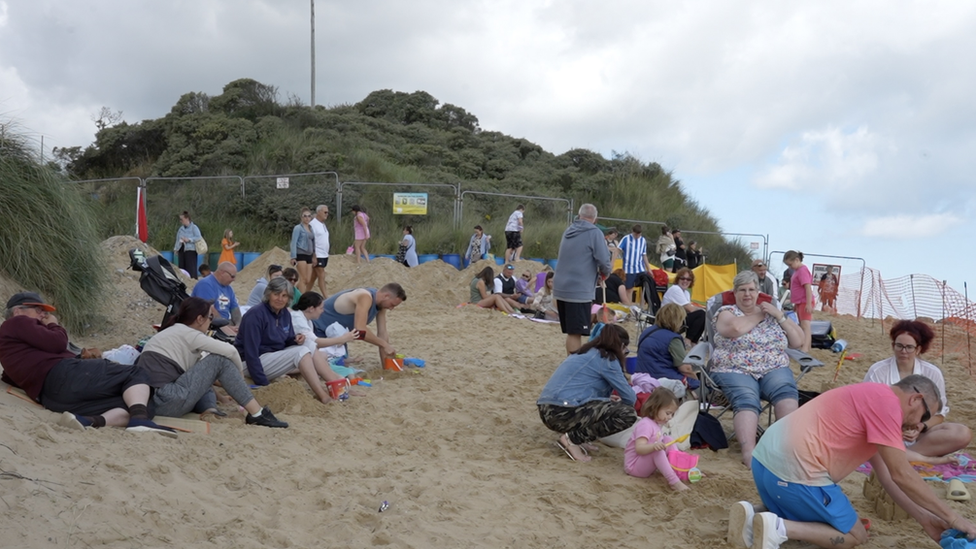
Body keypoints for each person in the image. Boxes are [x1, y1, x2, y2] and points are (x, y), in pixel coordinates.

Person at [730, 375, 976, 549]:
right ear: (915, 398)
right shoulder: (889, 406)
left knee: (825, 515)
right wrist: (954, 518)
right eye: (923, 416)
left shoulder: (871, 394)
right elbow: (902, 474)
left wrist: (925, 519)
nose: (918, 425)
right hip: (794, 475)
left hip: (763, 466)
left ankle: (754, 515)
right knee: (854, 535)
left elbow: (887, 477)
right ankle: (779, 527)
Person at [0, 292, 176, 436]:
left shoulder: (12, 344)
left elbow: (9, 376)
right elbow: (58, 343)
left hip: (53, 397)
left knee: (144, 406)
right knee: (136, 373)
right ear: (17, 311)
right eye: (38, 310)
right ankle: (139, 419)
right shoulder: (17, 322)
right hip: (65, 374)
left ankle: (91, 421)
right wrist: (55, 325)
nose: (44, 315)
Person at [137, 297, 287, 427]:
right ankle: (257, 413)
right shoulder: (191, 334)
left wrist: (221, 398)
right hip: (165, 400)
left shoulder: (171, 332)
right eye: (210, 317)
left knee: (204, 366)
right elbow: (231, 351)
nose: (211, 321)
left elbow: (201, 376)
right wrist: (240, 380)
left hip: (148, 401)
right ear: (199, 319)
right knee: (219, 359)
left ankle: (210, 408)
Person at [711, 270, 805, 468]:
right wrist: (759, 315)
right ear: (734, 293)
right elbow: (735, 329)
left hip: (773, 367)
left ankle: (785, 450)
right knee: (746, 398)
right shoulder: (726, 312)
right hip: (735, 368)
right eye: (742, 290)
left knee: (786, 394)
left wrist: (779, 316)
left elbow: (798, 341)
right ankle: (749, 454)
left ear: (758, 292)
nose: (747, 294)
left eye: (752, 290)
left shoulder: (772, 313)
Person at [863, 320, 972, 464]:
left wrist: (920, 427)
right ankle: (907, 456)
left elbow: (939, 414)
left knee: (962, 433)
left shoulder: (932, 372)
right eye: (899, 346)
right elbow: (867, 409)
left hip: (918, 434)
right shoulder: (878, 371)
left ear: (918, 349)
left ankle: (907, 455)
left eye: (909, 347)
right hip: (884, 431)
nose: (903, 351)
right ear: (893, 345)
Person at [537, 324, 637, 462]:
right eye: (625, 350)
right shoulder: (608, 359)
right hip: (560, 412)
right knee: (627, 414)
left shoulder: (586, 352)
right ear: (620, 346)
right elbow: (630, 398)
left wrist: (604, 400)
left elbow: (580, 388)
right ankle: (572, 439)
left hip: (548, 409)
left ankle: (578, 437)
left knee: (607, 404)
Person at [234, 277, 337, 404]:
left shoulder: (284, 314)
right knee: (301, 352)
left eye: (284, 296)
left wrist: (295, 340)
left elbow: (284, 341)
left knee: (308, 343)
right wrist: (264, 384)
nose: (280, 299)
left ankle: (335, 383)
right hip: (248, 363)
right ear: (268, 294)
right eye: (276, 294)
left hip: (270, 357)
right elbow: (251, 353)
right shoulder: (255, 315)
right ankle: (323, 396)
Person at [552, 204, 612, 354]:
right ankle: (574, 366)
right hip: (578, 290)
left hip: (561, 288)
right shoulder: (594, 233)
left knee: (572, 331)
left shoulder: (568, 231)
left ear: (579, 216)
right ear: (595, 218)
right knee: (575, 332)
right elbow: (604, 261)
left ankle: (571, 362)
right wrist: (605, 273)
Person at [310, 283, 406, 362]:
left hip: (335, 334)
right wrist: (384, 345)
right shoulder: (365, 297)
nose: (391, 308)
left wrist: (388, 364)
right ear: (386, 296)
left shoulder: (381, 304)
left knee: (341, 362)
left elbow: (382, 333)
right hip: (317, 328)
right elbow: (360, 330)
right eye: (392, 305)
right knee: (329, 364)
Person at [624, 387, 689, 491]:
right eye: (668, 413)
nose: (670, 417)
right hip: (634, 466)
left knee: (668, 439)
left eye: (672, 414)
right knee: (657, 451)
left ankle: (680, 469)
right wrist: (654, 446)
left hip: (644, 463)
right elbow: (639, 449)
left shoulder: (657, 424)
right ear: (655, 408)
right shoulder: (645, 424)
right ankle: (674, 481)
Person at [290, 292, 363, 380]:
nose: (323, 311)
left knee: (323, 356)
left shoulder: (306, 319)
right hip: (289, 354)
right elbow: (314, 343)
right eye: (321, 308)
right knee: (319, 359)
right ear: (311, 308)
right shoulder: (298, 319)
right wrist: (342, 339)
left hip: (297, 352)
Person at [635, 303, 699, 391]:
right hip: (662, 378)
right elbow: (685, 369)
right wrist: (696, 380)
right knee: (702, 387)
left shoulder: (647, 331)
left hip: (643, 375)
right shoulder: (673, 339)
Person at [661, 267, 706, 343]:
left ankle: (693, 342)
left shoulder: (686, 293)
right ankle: (688, 340)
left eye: (688, 279)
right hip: (668, 319)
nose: (685, 281)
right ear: (678, 279)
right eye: (683, 278)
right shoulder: (675, 289)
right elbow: (690, 309)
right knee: (701, 314)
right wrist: (704, 309)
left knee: (702, 315)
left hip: (677, 317)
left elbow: (690, 308)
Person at [190, 261, 241, 327]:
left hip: (224, 323)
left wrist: (238, 325)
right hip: (209, 325)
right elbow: (210, 311)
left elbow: (235, 309)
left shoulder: (229, 288)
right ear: (222, 273)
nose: (234, 279)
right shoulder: (205, 284)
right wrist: (228, 327)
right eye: (232, 276)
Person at [783, 250, 814, 352]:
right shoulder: (797, 271)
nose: (790, 267)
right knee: (802, 324)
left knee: (806, 326)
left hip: (805, 301)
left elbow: (808, 288)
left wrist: (809, 303)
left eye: (790, 264)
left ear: (797, 260)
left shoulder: (802, 270)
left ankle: (804, 349)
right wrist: (796, 304)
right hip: (800, 302)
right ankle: (806, 347)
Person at [619, 224, 652, 291]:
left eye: (639, 234)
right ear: (632, 232)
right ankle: (628, 301)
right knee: (629, 289)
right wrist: (612, 262)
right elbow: (617, 250)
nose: (637, 236)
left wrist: (649, 268)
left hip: (640, 269)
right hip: (629, 269)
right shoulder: (626, 239)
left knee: (646, 286)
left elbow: (644, 255)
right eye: (636, 234)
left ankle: (643, 301)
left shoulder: (643, 240)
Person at [307, 204, 331, 297]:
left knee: (313, 276)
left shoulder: (322, 224)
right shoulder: (313, 224)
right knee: (321, 274)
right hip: (318, 254)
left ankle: (301, 293)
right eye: (325, 212)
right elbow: (311, 241)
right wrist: (314, 256)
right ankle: (326, 297)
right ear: (319, 212)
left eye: (327, 212)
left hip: (324, 254)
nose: (327, 214)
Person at [290, 207, 315, 292]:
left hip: (309, 254)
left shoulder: (311, 228)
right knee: (303, 278)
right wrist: (293, 256)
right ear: (301, 217)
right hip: (301, 254)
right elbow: (293, 242)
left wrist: (314, 255)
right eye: (305, 216)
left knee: (308, 280)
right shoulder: (298, 228)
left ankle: (293, 290)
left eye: (309, 216)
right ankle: (302, 298)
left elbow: (313, 241)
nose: (307, 218)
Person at [174, 211, 202, 279]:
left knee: (190, 267)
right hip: (182, 249)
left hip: (190, 250)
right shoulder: (181, 229)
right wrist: (176, 249)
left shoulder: (194, 227)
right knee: (182, 267)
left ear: (187, 219)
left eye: (182, 219)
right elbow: (177, 239)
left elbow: (198, 237)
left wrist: (189, 239)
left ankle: (192, 280)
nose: (181, 221)